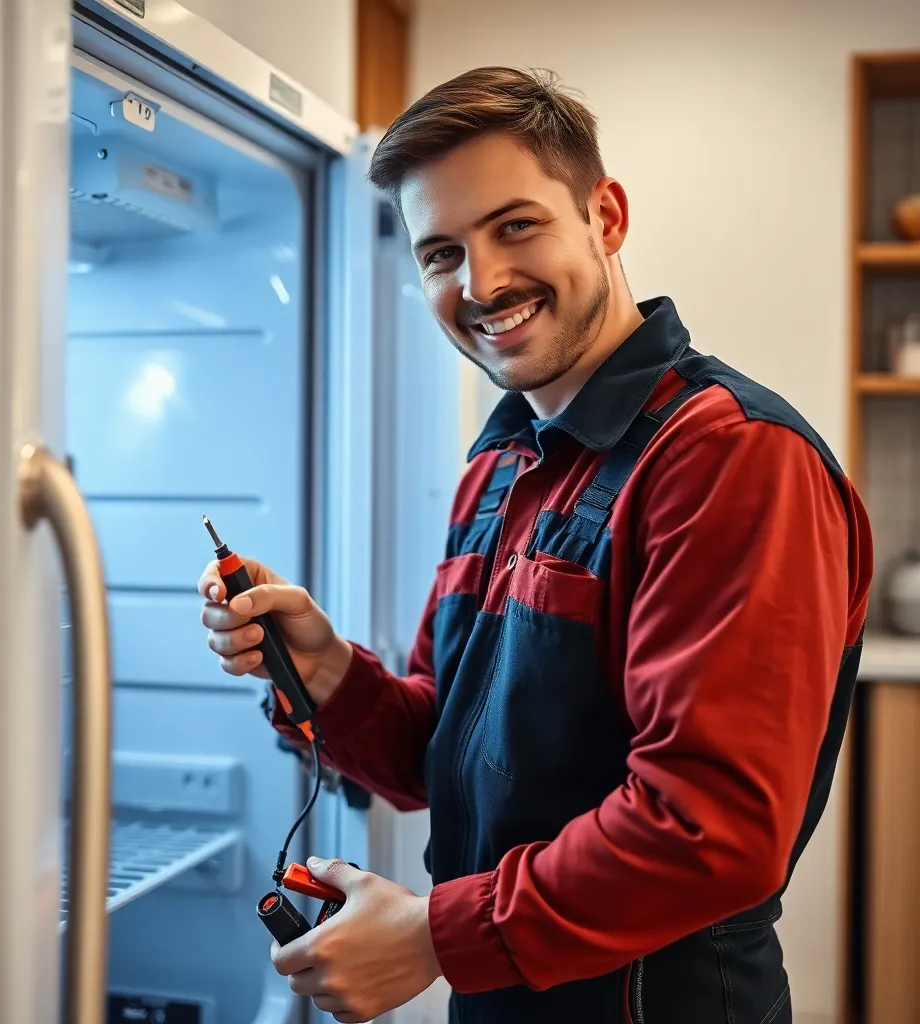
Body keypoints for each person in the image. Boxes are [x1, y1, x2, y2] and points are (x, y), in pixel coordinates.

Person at [199, 66, 873, 1024]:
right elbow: (443, 749)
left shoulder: (728, 458)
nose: (481, 284)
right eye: (441, 253)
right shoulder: (501, 463)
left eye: (516, 226)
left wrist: (437, 934)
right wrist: (324, 667)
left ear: (605, 215)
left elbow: (710, 829)